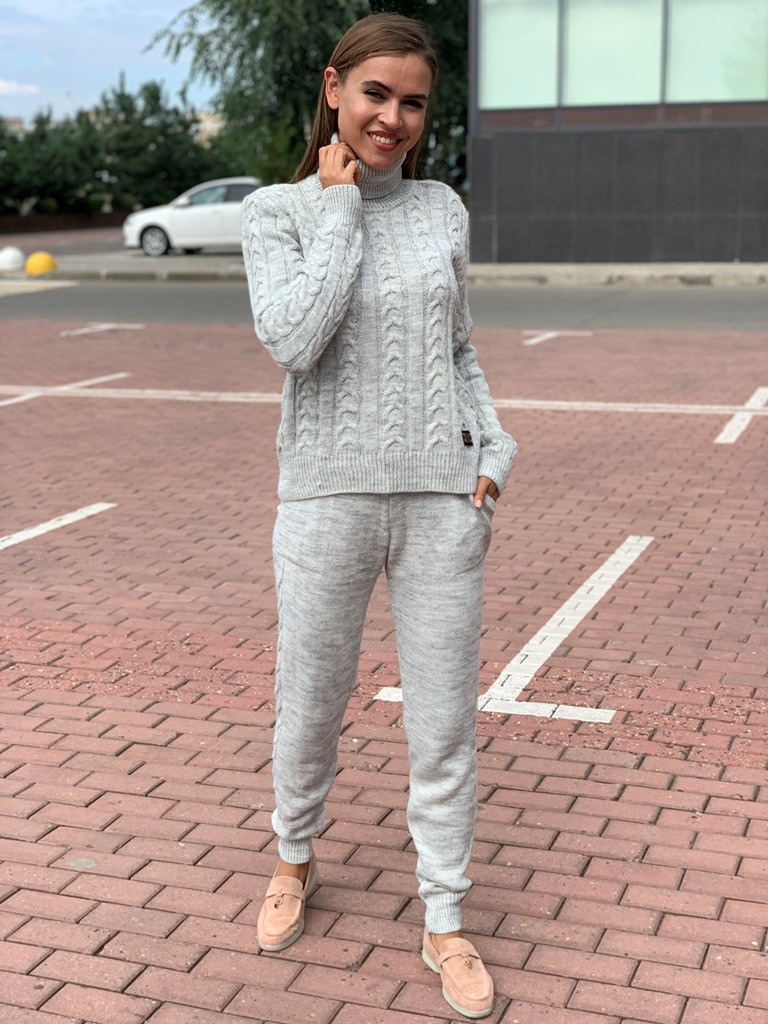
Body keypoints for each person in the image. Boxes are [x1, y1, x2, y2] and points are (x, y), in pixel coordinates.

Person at [241, 13, 516, 1020]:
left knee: (444, 723)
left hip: (442, 503)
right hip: (327, 498)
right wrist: (338, 208)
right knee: (311, 699)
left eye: (413, 102)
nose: (393, 117)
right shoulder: (277, 212)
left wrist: (494, 450)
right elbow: (296, 341)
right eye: (375, 94)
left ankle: (445, 915)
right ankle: (294, 856)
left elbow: (459, 348)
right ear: (333, 90)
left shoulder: (443, 209)